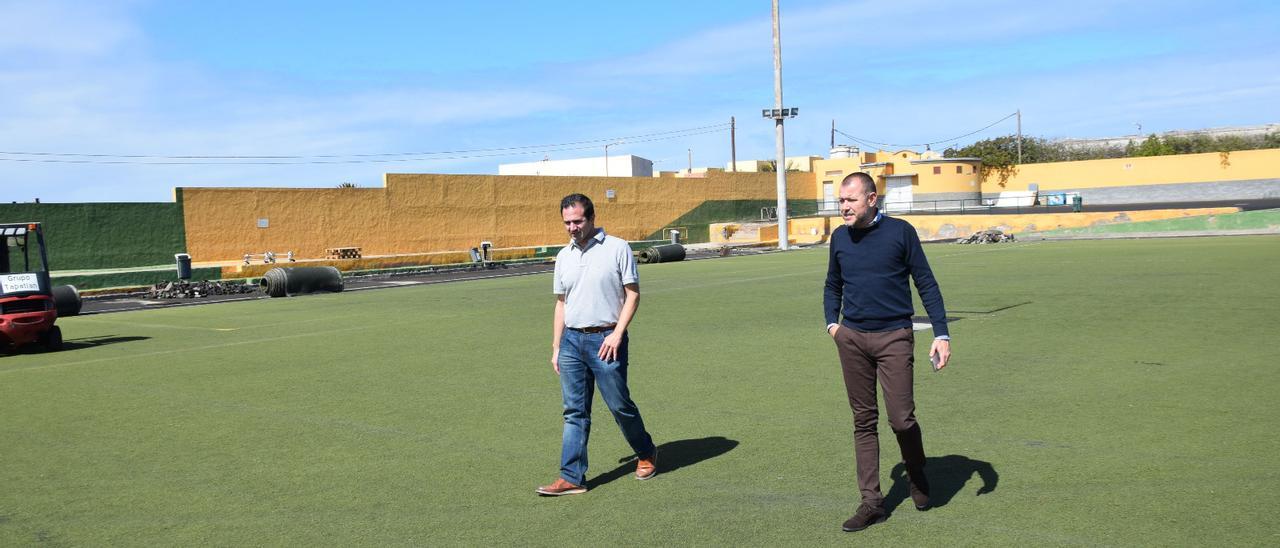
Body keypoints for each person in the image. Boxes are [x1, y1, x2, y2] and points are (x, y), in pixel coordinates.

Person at [823, 172, 952, 531]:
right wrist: (833, 325)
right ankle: (872, 502)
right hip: (852, 339)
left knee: (901, 419)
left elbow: (925, 281)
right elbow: (833, 284)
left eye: (850, 200)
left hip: (894, 336)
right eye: (841, 201)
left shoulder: (900, 232)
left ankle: (916, 472)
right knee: (863, 421)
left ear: (871, 199)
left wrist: (941, 333)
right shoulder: (839, 238)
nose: (843, 207)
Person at [536, 193, 658, 496]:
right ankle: (572, 476)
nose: (572, 227)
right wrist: (556, 347)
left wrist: (617, 334)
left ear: (591, 218)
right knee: (574, 411)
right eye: (567, 222)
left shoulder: (617, 248)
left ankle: (646, 451)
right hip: (571, 342)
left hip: (607, 340)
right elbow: (561, 303)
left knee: (619, 405)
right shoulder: (564, 256)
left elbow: (633, 294)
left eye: (577, 221)